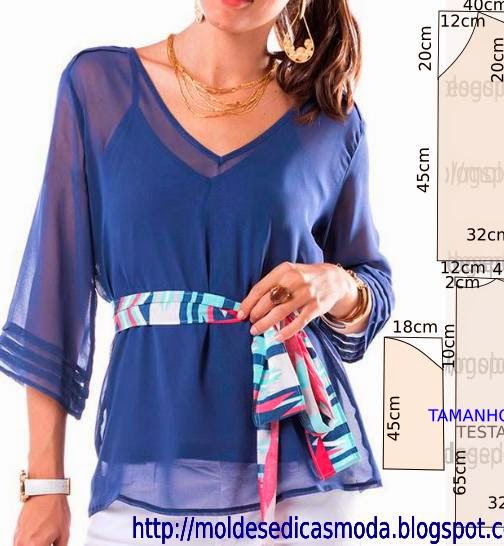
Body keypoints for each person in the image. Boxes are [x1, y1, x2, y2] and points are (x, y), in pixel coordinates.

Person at [1, 0, 394, 544]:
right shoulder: (98, 88)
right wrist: (45, 486)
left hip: (300, 482)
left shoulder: (329, 119)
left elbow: (371, 283)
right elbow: (54, 290)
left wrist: (336, 283)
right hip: (146, 469)